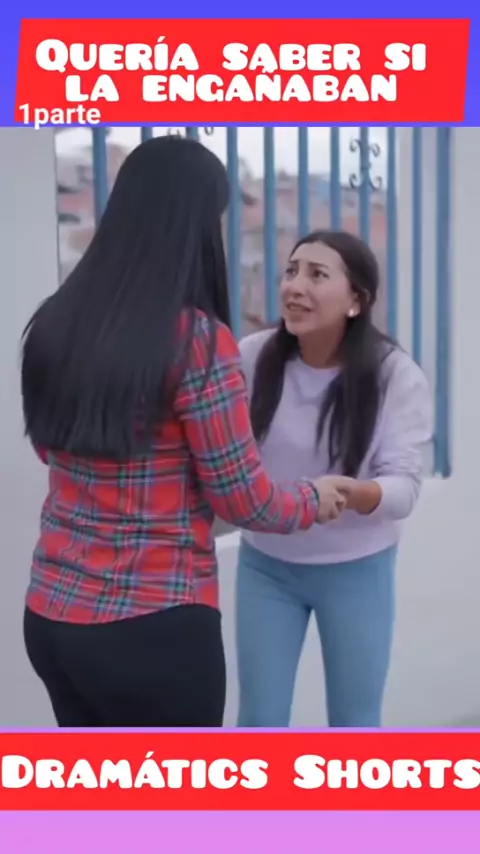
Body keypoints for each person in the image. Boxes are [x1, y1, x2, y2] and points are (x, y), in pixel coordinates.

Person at [21, 137, 345, 729]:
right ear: (193, 224)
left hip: (52, 617)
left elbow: (49, 446)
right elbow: (243, 500)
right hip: (154, 625)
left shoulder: (55, 320)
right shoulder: (196, 340)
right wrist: (313, 499)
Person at [235, 229, 433, 728]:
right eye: (291, 271)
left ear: (355, 301)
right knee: (259, 721)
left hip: (357, 568)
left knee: (354, 723)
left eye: (317, 275)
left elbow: (404, 488)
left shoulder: (395, 375)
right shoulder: (253, 357)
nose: (295, 286)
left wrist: (350, 493)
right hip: (266, 565)